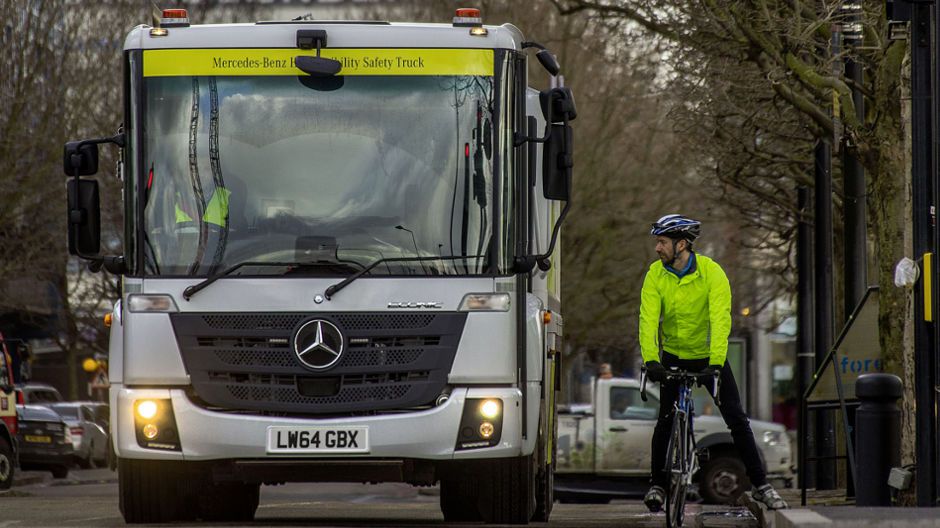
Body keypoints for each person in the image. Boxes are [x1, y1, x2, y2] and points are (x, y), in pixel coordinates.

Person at [638, 214, 788, 511]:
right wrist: (651, 359)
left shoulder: (712, 272)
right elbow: (647, 319)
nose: (657, 248)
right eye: (657, 242)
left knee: (737, 420)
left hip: (708, 357)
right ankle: (657, 484)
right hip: (672, 356)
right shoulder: (656, 273)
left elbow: (720, 320)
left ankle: (762, 485)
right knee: (665, 420)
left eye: (662, 242)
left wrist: (717, 362)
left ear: (682, 245)